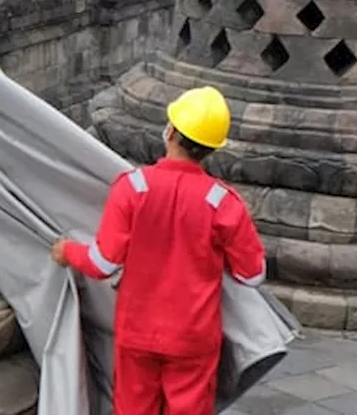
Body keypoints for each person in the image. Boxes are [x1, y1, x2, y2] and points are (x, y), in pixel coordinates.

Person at [51, 86, 266, 415]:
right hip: (194, 337)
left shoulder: (132, 187)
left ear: (170, 132)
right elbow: (252, 275)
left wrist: (68, 252)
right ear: (211, 148)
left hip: (137, 332)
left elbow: (103, 263)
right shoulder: (224, 203)